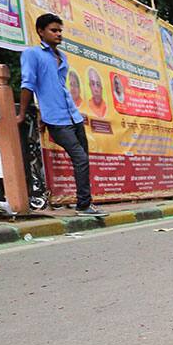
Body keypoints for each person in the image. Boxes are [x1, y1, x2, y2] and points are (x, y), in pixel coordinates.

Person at [18, 13, 105, 216]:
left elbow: (58, 88)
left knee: (83, 159)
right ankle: (83, 205)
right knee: (80, 158)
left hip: (73, 116)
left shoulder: (62, 57)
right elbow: (28, 84)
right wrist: (22, 113)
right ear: (41, 31)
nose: (58, 34)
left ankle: (85, 203)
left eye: (60, 31)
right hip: (55, 119)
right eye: (53, 30)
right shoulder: (32, 54)